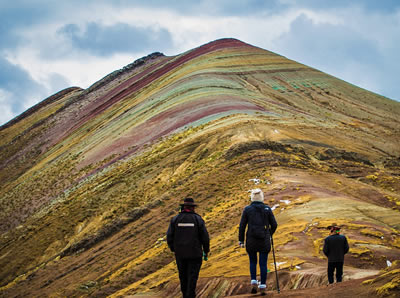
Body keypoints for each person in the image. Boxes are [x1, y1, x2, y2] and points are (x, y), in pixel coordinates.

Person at [167, 197, 210, 298]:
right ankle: (190, 295)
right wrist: (206, 250)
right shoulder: (198, 219)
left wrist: (174, 248)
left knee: (183, 276)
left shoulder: (175, 219)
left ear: (183, 207)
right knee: (192, 276)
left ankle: (185, 295)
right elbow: (205, 237)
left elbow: (169, 236)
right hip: (195, 253)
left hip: (180, 254)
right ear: (193, 208)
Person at [239, 188, 278, 295]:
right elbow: (274, 225)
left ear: (252, 197)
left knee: (252, 261)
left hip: (251, 239)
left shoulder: (247, 209)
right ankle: (263, 286)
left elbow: (242, 226)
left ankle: (254, 283)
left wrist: (241, 240)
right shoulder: (267, 209)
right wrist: (269, 234)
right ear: (262, 197)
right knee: (263, 263)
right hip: (264, 239)